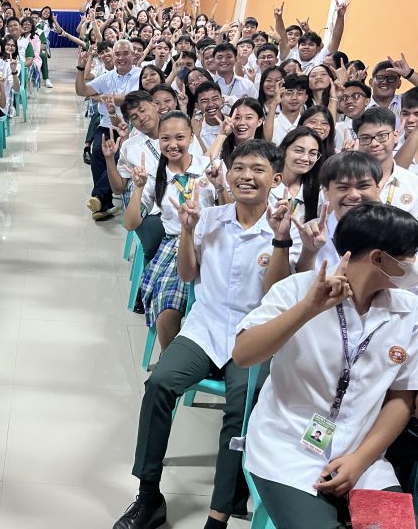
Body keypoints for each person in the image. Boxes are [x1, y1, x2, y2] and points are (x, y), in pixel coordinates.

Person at [113, 140, 300, 529]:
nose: (247, 176)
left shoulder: (285, 228)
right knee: (159, 384)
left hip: (255, 335)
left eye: (258, 169)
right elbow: (186, 275)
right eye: (240, 168)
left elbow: (275, 294)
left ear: (276, 179)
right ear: (228, 173)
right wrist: (187, 231)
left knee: (239, 412)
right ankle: (148, 496)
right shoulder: (210, 217)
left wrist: (280, 240)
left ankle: (218, 515)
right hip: (206, 326)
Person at [234, 202, 418, 528]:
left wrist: (360, 461)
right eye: (409, 256)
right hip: (288, 450)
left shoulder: (409, 312)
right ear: (379, 258)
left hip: (364, 456)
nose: (413, 265)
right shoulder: (299, 289)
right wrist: (307, 309)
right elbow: (243, 354)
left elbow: (401, 398)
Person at [127, 111, 219, 348]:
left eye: (180, 137)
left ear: (191, 137)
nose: (173, 144)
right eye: (165, 138)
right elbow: (131, 224)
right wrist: (138, 189)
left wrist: (222, 187)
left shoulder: (210, 168)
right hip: (175, 245)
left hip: (213, 242)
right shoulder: (154, 175)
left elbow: (232, 212)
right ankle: (169, 359)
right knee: (168, 306)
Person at [75, 40, 142, 220]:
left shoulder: (141, 75)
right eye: (117, 54)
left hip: (132, 127)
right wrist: (80, 69)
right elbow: (81, 91)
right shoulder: (108, 76)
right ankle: (103, 203)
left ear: (133, 55)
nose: (121, 58)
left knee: (121, 154)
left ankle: (98, 197)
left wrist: (107, 97)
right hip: (107, 124)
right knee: (97, 151)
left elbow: (132, 99)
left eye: (125, 53)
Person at [353, 107, 418, 217]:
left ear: (395, 137)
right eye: (365, 138)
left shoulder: (413, 184)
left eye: (382, 136)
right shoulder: (343, 181)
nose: (374, 143)